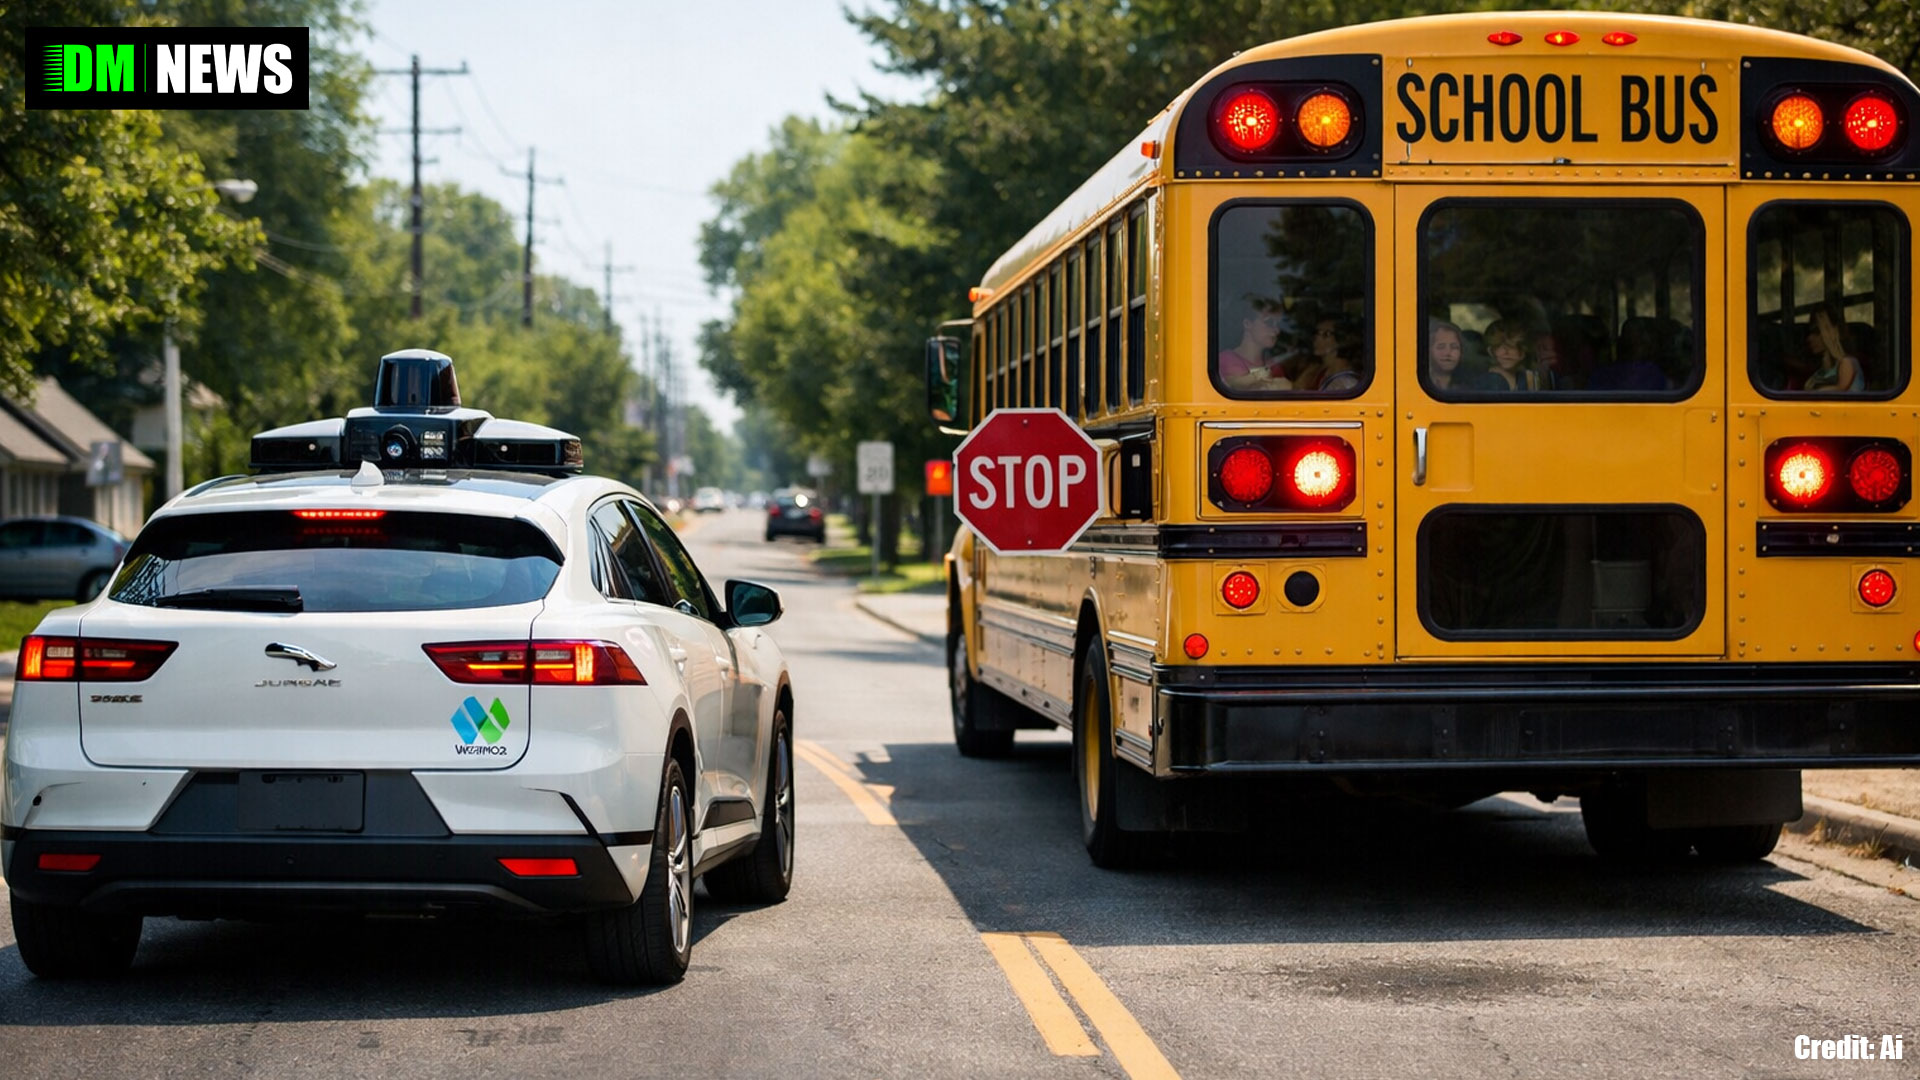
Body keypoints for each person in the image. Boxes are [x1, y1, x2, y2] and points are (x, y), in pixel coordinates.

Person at [1217, 298, 1292, 391]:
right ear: (1247, 324)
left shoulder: (1273, 364)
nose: (1277, 330)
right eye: (1269, 322)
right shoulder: (1226, 359)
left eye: (1278, 324)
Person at [1805, 305, 1866, 392]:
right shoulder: (1821, 371)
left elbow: (1839, 390)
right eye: (1810, 333)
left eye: (1817, 332)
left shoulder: (1847, 363)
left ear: (1833, 332)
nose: (1809, 338)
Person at [1476, 319, 1547, 391]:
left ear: (1523, 351)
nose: (1506, 352)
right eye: (1499, 346)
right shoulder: (1484, 381)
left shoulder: (1530, 379)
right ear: (1491, 351)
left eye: (1513, 347)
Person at [1299, 316, 1363, 392]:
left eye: (1326, 334)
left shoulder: (1345, 381)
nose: (1317, 338)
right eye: (1316, 333)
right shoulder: (1317, 371)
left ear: (1341, 340)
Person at [1428, 318, 1465, 391]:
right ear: (1429, 350)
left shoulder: (1472, 386)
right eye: (1441, 347)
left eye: (1454, 347)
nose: (1448, 353)